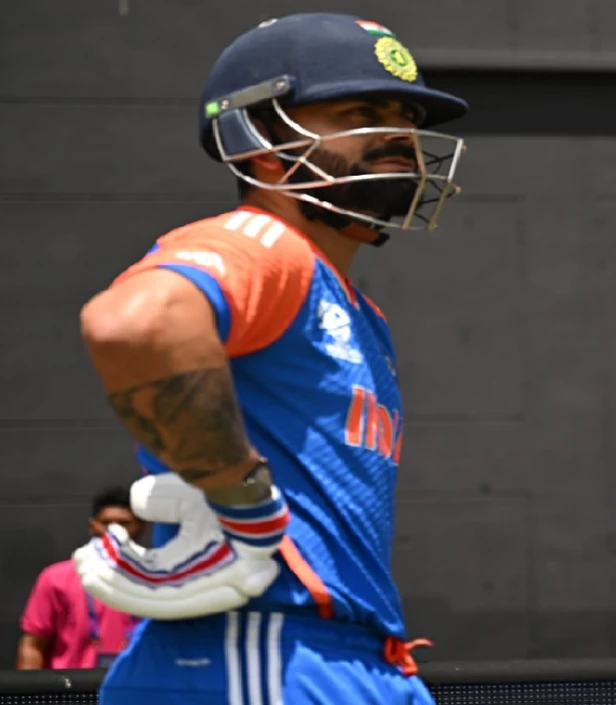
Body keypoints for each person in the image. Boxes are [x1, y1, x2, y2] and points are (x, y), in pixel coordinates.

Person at [71, 12, 468, 705]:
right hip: (256, 652)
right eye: (361, 113)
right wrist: (242, 499)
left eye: (405, 117)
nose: (399, 136)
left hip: (350, 656)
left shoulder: (353, 305)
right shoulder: (265, 243)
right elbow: (137, 322)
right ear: (260, 144)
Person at [18, 487, 145, 670]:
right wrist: (30, 688)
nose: (115, 532)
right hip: (72, 685)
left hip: (139, 686)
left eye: (124, 524)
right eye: (106, 523)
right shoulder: (56, 577)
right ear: (93, 526)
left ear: (141, 526)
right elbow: (33, 645)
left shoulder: (157, 581)